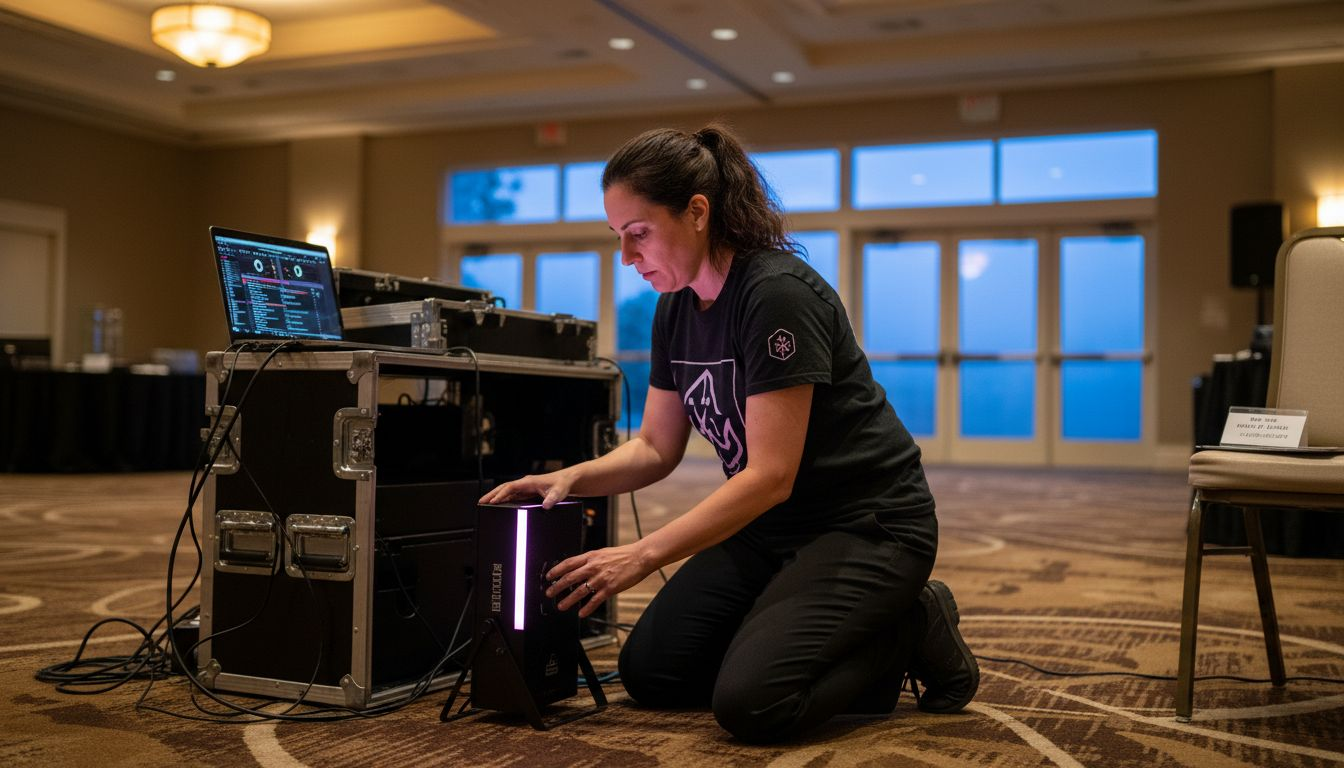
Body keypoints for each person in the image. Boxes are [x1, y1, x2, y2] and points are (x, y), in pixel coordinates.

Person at [479, 122, 978, 743]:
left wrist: (642, 554)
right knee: (652, 672)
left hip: (865, 525)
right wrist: (570, 476)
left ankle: (912, 622)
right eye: (618, 237)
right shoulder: (675, 306)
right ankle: (800, 628)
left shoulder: (775, 295)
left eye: (639, 234)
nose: (627, 257)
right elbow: (657, 447)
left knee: (752, 704)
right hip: (768, 530)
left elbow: (770, 476)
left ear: (697, 212)